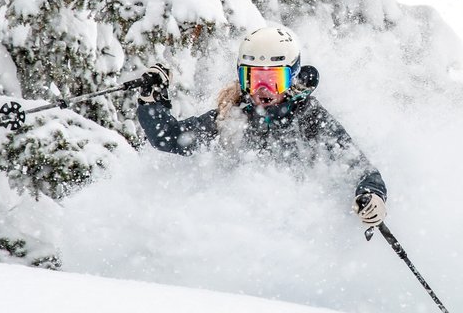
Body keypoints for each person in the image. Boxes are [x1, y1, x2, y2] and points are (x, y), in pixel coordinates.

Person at [134, 25, 388, 228]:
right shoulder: (230, 117)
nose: (262, 90)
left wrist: (371, 194)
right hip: (240, 226)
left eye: (273, 80)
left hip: (301, 225)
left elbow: (359, 167)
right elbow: (170, 138)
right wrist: (151, 101)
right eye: (253, 79)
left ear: (293, 76)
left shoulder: (309, 117)